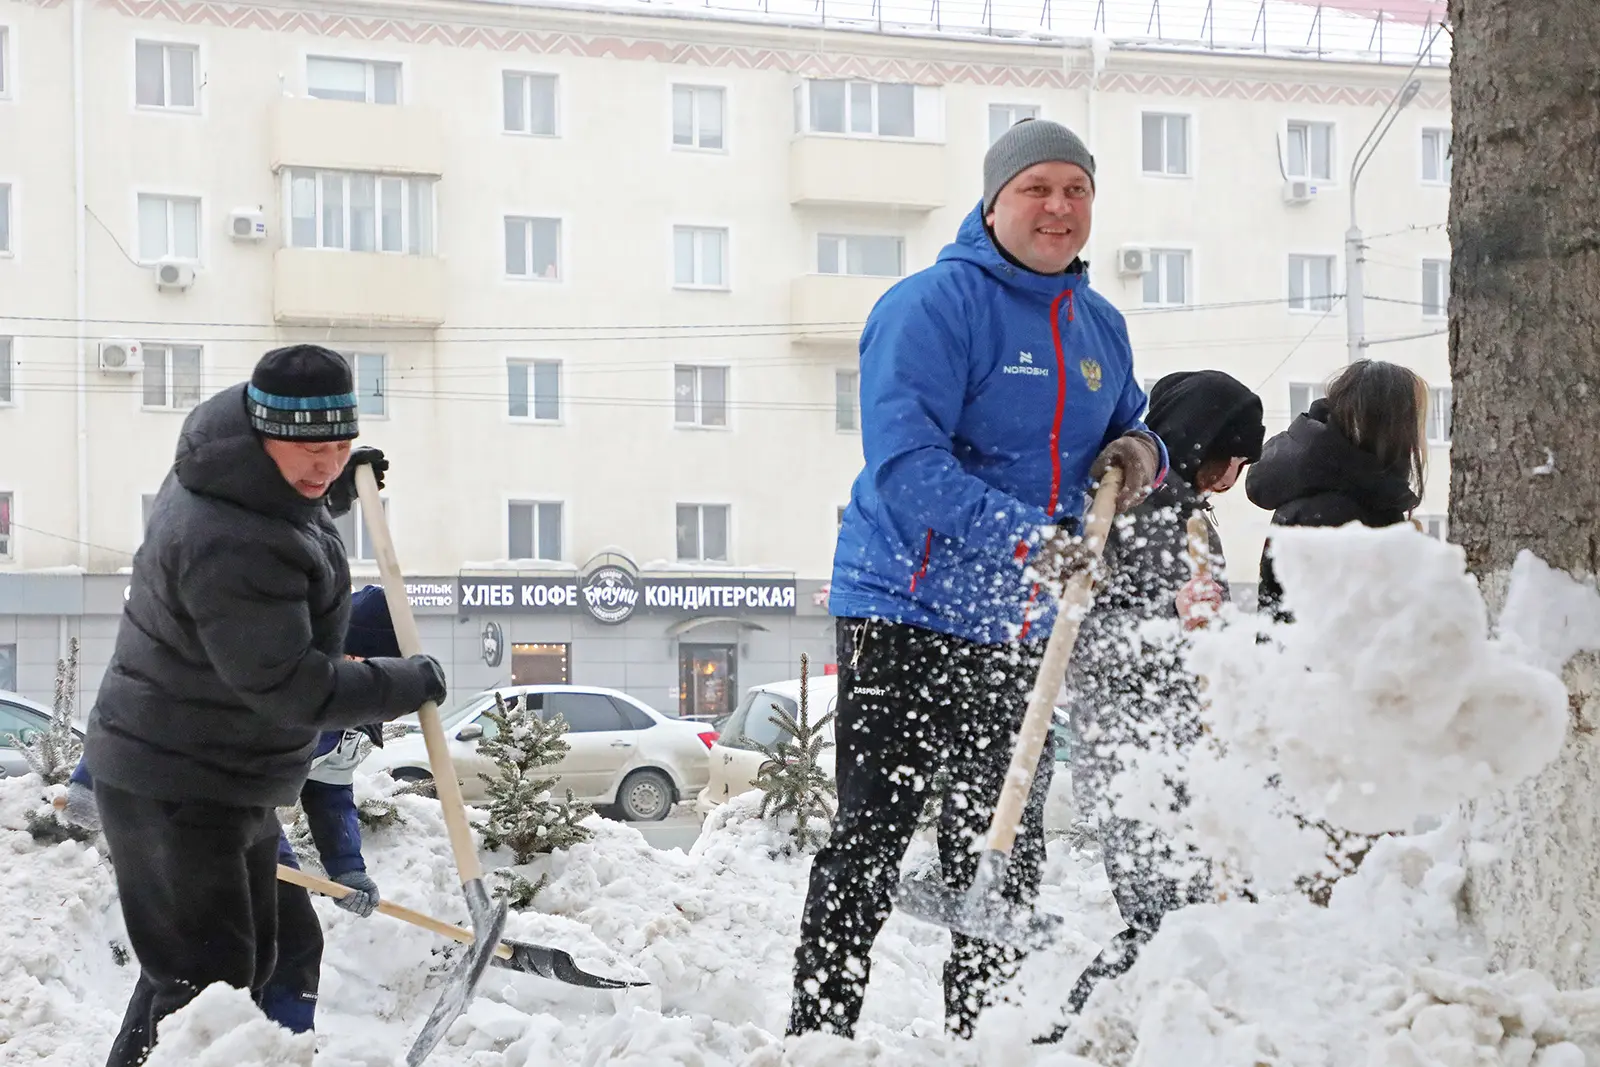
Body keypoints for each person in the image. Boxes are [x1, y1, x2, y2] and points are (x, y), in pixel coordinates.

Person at [790, 118, 1170, 1042]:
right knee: (874, 832)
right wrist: (1032, 542)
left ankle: (981, 1033)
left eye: (1075, 190)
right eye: (1037, 188)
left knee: (1001, 841)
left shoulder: (1099, 327)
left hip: (1017, 623)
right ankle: (819, 1028)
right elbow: (907, 466)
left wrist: (1139, 452)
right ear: (995, 202)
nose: (1058, 207)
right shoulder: (932, 307)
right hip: (905, 606)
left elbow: (1140, 428)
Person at [83, 344, 448, 1067]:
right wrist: (406, 681)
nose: (325, 465)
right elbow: (291, 686)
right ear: (264, 433)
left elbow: (290, 506)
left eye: (338, 446)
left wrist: (337, 483)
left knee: (243, 960)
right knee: (202, 981)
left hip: (220, 772)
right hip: (175, 780)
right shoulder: (230, 541)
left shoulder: (237, 468)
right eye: (309, 449)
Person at [64, 583, 403, 1036]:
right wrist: (91, 781)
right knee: (197, 953)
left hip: (247, 812)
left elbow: (327, 786)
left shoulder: (343, 717)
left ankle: (275, 1048)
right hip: (176, 802)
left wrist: (347, 868)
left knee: (289, 940)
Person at [1052, 370, 1264, 1029]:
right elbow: (1081, 637)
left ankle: (1101, 1032)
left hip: (1180, 755)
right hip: (1132, 759)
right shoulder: (1125, 510)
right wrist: (1169, 624)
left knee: (1192, 916)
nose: (1233, 478)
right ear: (1208, 447)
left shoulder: (1185, 516)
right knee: (1166, 918)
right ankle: (1070, 1032)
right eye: (1233, 461)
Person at [1244, 359, 1427, 904]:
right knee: (1343, 885)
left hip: (1329, 725)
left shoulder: (1343, 495)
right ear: (1389, 424)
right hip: (1332, 734)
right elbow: (1335, 633)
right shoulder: (1337, 509)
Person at [1246, 358, 1427, 621]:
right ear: (1391, 426)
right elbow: (1347, 628)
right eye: (1416, 421)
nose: (1419, 437)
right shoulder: (1335, 512)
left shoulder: (1349, 492)